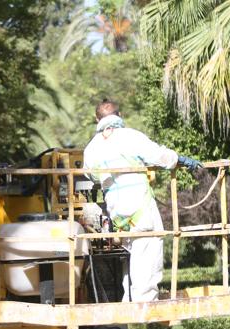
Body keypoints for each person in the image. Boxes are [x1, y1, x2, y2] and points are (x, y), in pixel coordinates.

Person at [83, 99, 202, 302]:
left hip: (117, 213)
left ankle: (130, 297)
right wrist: (180, 159)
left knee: (135, 253)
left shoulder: (91, 149)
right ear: (120, 116)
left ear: (97, 119)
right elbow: (158, 156)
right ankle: (144, 301)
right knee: (148, 246)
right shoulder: (130, 137)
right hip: (139, 205)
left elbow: (90, 175)